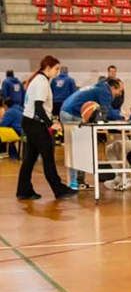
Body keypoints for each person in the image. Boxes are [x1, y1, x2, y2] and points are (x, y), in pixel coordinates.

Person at [15, 56, 77, 200]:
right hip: (35, 124)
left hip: (29, 122)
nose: (58, 72)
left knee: (30, 158)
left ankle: (23, 190)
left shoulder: (38, 80)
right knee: (48, 155)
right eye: (56, 69)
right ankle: (59, 190)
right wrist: (51, 124)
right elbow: (38, 107)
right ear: (48, 68)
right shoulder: (41, 82)